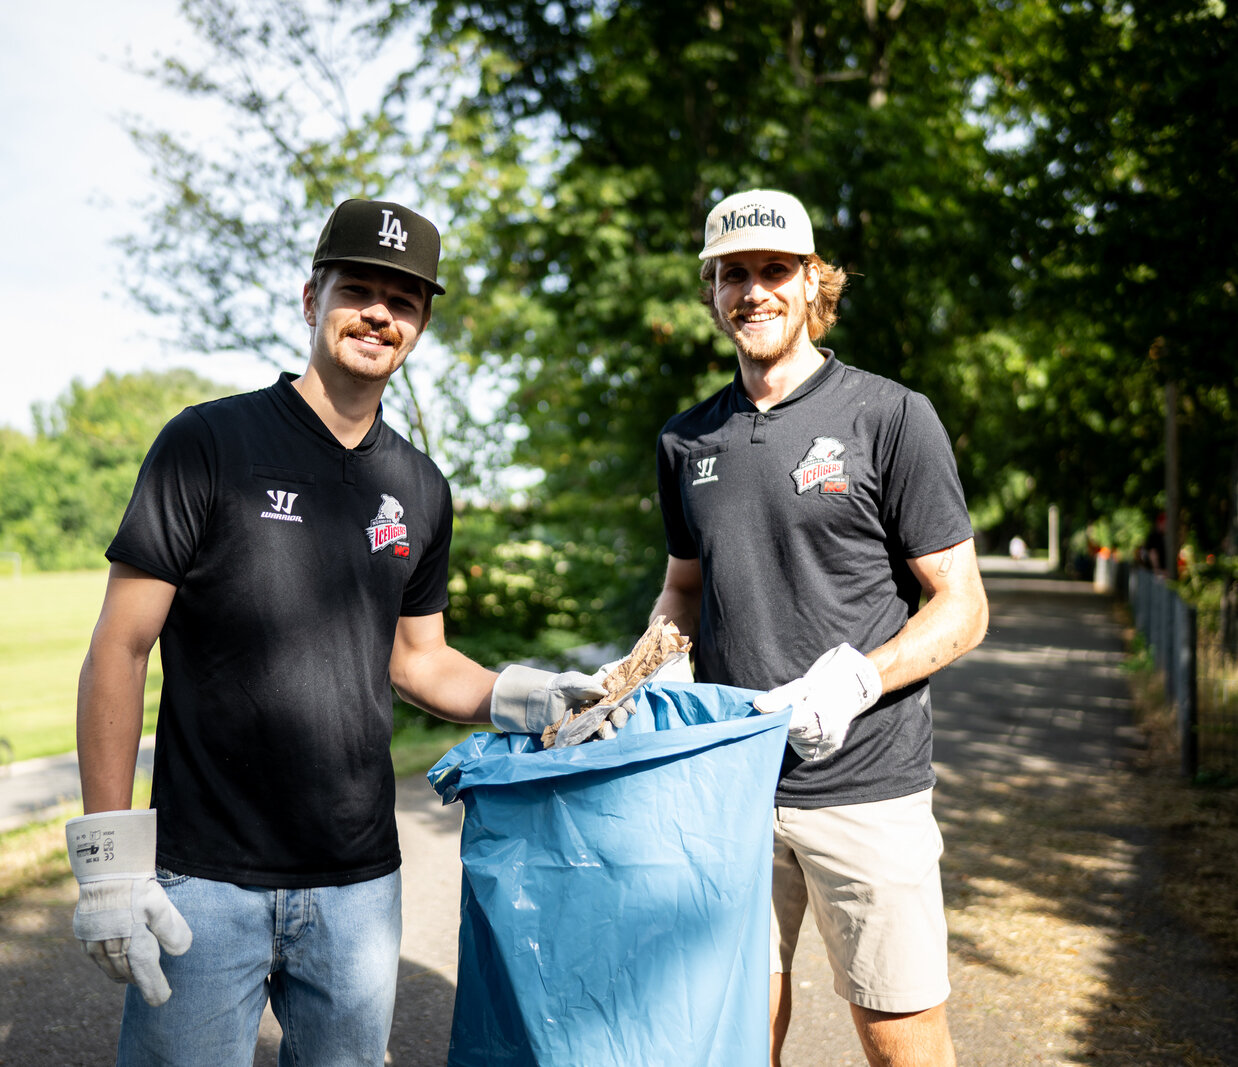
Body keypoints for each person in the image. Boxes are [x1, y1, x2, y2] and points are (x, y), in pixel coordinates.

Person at [66, 197, 607, 1066]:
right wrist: (107, 860)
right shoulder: (208, 441)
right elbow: (119, 650)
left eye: (404, 300)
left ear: (421, 324)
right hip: (203, 877)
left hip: (358, 886)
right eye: (358, 289)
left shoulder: (420, 486)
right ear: (310, 297)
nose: (379, 314)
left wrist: (530, 694)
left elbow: (420, 660)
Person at [651, 189, 989, 1066]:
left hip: (866, 784)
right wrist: (651, 666)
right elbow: (683, 588)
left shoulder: (891, 415)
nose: (752, 291)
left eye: (774, 270)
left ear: (812, 282)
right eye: (733, 274)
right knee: (736, 1037)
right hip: (731, 785)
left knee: (900, 1040)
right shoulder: (687, 440)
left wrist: (859, 679)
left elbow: (963, 604)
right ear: (711, 290)